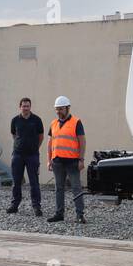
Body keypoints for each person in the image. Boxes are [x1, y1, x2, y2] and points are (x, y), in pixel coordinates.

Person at [46, 95, 86, 224]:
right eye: (57, 109)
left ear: (67, 108)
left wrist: (81, 159)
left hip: (72, 161)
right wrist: (49, 159)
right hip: (57, 161)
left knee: (76, 188)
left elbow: (82, 141)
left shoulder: (76, 122)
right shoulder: (53, 123)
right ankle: (59, 214)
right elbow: (50, 143)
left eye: (61, 109)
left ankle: (80, 215)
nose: (58, 112)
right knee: (59, 188)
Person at [6, 97, 44, 216]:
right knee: (16, 181)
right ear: (20, 107)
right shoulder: (15, 120)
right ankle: (14, 205)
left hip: (32, 156)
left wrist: (34, 147)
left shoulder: (36, 120)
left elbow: (41, 136)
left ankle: (36, 206)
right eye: (23, 106)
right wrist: (20, 145)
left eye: (27, 106)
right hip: (18, 155)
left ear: (30, 107)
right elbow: (14, 134)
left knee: (34, 182)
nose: (25, 108)